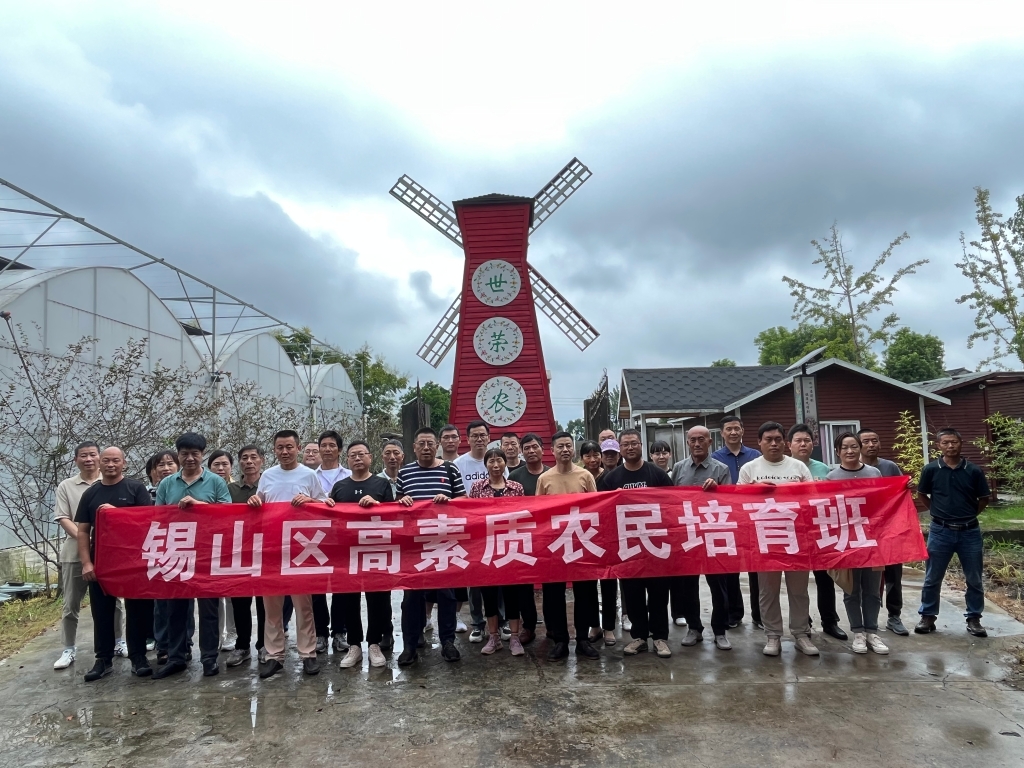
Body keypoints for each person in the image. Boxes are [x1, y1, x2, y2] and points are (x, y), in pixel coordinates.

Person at [249, 429, 335, 678]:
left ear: (298, 448)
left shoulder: (309, 475)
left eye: (289, 447)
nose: (284, 452)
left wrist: (309, 501)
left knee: (303, 604)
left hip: (301, 549)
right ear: (274, 450)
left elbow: (325, 503)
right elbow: (259, 504)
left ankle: (308, 653)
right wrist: (254, 501)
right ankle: (274, 655)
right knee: (271, 606)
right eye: (280, 448)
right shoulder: (267, 475)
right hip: (272, 548)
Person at [153, 432, 232, 679]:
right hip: (177, 553)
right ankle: (176, 656)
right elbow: (158, 518)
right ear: (178, 455)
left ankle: (209, 657)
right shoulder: (167, 484)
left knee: (208, 608)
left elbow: (228, 514)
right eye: (184, 454)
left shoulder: (216, 482)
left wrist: (202, 507)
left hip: (208, 554)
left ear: (202, 455)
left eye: (194, 454)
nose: (189, 458)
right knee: (175, 608)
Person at [738, 422, 817, 657]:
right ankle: (773, 635)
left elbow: (813, 500)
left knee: (799, 590)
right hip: (765, 538)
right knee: (768, 590)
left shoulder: (798, 467)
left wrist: (798, 489)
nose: (773, 443)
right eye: (768, 439)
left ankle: (801, 633)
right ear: (759, 442)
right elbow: (737, 504)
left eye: (777, 439)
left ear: (784, 442)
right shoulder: (749, 469)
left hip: (796, 538)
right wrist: (755, 488)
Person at [75, 447, 154, 681]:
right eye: (106, 460)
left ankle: (138, 657)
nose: (111, 464)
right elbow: (82, 531)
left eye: (116, 460)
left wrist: (116, 513)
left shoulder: (135, 488)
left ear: (124, 463)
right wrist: (86, 563)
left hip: (132, 561)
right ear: (99, 463)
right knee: (102, 611)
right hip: (101, 561)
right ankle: (103, 659)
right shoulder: (91, 493)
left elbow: (146, 522)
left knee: (137, 610)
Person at [599, 428, 675, 658]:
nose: (630, 447)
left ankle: (660, 638)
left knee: (659, 594)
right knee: (632, 594)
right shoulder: (610, 479)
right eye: (625, 444)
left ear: (641, 445)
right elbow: (601, 511)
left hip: (655, 546)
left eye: (634, 443)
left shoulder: (657, 475)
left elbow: (673, 506)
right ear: (620, 449)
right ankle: (639, 637)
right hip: (627, 547)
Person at [395, 426, 465, 666]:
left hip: (443, 542)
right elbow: (394, 508)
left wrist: (450, 501)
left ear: (437, 446)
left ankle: (448, 642)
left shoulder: (450, 469)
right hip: (413, 546)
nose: (426, 448)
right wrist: (401, 502)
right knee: (411, 598)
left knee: (446, 595)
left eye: (430, 443)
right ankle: (409, 646)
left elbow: (464, 501)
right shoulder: (405, 474)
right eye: (421, 444)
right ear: (414, 448)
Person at [915, 427, 991, 638]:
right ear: (938, 445)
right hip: (941, 531)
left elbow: (983, 498)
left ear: (961, 443)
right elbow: (922, 493)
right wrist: (936, 512)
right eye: (945, 443)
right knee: (932, 577)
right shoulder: (931, 469)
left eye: (954, 442)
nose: (950, 446)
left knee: (974, 578)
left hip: (969, 532)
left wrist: (968, 515)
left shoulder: (973, 470)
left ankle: (974, 618)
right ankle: (928, 616)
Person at [331, 440, 396, 669]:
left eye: (362, 454)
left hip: (375, 549)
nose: (357, 458)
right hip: (347, 552)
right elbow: (331, 519)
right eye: (352, 455)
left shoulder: (381, 484)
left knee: (377, 598)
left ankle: (374, 643)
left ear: (370, 457)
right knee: (349, 599)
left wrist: (377, 504)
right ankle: (354, 645)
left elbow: (394, 515)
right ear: (347, 460)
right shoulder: (340, 487)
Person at [537, 432, 601, 660]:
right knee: (554, 594)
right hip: (555, 544)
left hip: (582, 541)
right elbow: (539, 514)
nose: (565, 450)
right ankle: (561, 640)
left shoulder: (585, 476)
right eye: (560, 446)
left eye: (568, 446)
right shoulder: (545, 479)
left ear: (573, 450)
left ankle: (582, 639)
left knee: (585, 592)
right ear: (552, 451)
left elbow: (596, 508)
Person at [671, 426, 732, 650]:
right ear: (687, 442)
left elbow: (731, 503)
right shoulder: (678, 469)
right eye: (692, 440)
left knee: (719, 586)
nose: (697, 444)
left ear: (709, 442)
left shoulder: (721, 469)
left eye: (701, 440)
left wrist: (719, 490)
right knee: (688, 586)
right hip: (687, 535)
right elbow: (671, 502)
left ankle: (720, 630)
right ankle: (694, 627)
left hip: (714, 534)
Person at [826, 432, 887, 654]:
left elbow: (884, 502)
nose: (849, 451)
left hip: (871, 539)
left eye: (853, 446)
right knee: (851, 589)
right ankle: (858, 632)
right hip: (846, 540)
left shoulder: (874, 473)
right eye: (844, 447)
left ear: (860, 448)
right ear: (837, 451)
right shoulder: (831, 477)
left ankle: (872, 631)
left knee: (872, 589)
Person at [787, 423, 847, 643]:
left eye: (807, 440)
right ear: (789, 445)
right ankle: (804, 623)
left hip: (820, 531)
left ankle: (830, 622)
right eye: (798, 441)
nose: (803, 444)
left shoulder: (824, 469)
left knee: (825, 579)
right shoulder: (784, 468)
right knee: (798, 582)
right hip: (793, 532)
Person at [468, 448, 527, 656]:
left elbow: (523, 516)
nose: (495, 465)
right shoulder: (477, 488)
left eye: (499, 460)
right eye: (491, 461)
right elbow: (471, 516)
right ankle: (493, 637)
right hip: (486, 548)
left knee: (512, 595)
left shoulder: (516, 487)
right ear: (485, 465)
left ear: (505, 463)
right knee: (489, 594)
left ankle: (514, 638)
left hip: (511, 547)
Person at [53, 441, 104, 671]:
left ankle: (118, 641)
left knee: (112, 603)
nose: (89, 459)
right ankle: (68, 648)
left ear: (100, 458)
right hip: (74, 553)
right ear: (76, 460)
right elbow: (63, 517)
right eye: (84, 455)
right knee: (71, 603)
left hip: (107, 553)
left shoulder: (110, 482)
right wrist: (88, 540)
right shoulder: (66, 486)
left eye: (93, 454)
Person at [455, 420, 505, 643]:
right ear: (467, 439)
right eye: (474, 435)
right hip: (472, 531)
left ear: (488, 436)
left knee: (501, 577)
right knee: (474, 579)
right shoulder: (458, 464)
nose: (479, 439)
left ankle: (503, 621)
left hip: (499, 530)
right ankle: (478, 623)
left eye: (482, 435)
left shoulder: (501, 462)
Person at [712, 415, 763, 629]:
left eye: (736, 428)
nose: (733, 432)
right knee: (730, 569)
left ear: (743, 430)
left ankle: (759, 615)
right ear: (722, 433)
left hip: (753, 517)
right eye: (729, 429)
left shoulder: (755, 456)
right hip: (726, 517)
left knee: (756, 568)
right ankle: (734, 613)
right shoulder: (714, 458)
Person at [858, 428, 909, 636]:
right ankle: (869, 620)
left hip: (889, 530)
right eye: (867, 441)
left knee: (893, 575)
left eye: (875, 440)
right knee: (868, 578)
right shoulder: (853, 469)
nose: (872, 445)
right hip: (864, 532)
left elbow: (900, 496)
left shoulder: (890, 467)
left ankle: (894, 616)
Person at [226, 444, 266, 668]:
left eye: (253, 457)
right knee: (240, 601)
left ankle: (263, 645)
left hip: (265, 551)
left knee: (264, 602)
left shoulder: (268, 485)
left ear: (261, 460)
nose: (249, 461)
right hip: (238, 551)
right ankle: (242, 646)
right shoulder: (230, 490)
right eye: (244, 458)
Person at [508, 432, 547, 645]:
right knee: (524, 585)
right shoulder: (515, 477)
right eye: (527, 448)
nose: (531, 451)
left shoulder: (552, 474)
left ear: (542, 449)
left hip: (549, 537)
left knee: (552, 585)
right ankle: (529, 626)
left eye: (534, 447)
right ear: (522, 452)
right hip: (523, 537)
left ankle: (554, 626)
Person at [314, 430, 351, 655]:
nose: (327, 449)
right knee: (317, 587)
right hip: (316, 538)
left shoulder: (350, 474)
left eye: (331, 445)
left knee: (342, 587)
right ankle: (320, 634)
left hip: (342, 538)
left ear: (339, 449)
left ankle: (340, 632)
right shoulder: (308, 475)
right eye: (323, 445)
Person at [578, 439, 618, 646]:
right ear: (582, 458)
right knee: (588, 587)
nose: (592, 459)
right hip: (586, 537)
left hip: (608, 536)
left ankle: (609, 627)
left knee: (609, 582)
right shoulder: (579, 476)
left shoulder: (610, 477)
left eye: (596, 455)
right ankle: (595, 625)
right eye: (588, 455)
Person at [207, 449, 237, 651]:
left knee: (232, 592)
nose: (220, 468)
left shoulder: (235, 488)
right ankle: (216, 634)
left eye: (224, 464)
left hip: (233, 544)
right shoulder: (206, 485)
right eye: (216, 464)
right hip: (209, 545)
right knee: (213, 593)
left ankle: (232, 633)